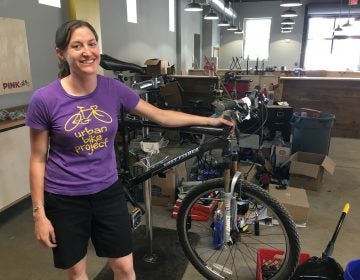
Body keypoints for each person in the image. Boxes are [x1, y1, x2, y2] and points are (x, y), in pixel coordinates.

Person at [25, 19, 233, 280]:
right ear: (61, 53)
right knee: (77, 272)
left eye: (92, 43)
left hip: (107, 193)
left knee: (124, 267)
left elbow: (161, 116)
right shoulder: (44, 99)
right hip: (65, 199)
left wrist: (211, 120)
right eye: (77, 46)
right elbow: (37, 160)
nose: (87, 51)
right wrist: (39, 214)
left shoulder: (112, 89)